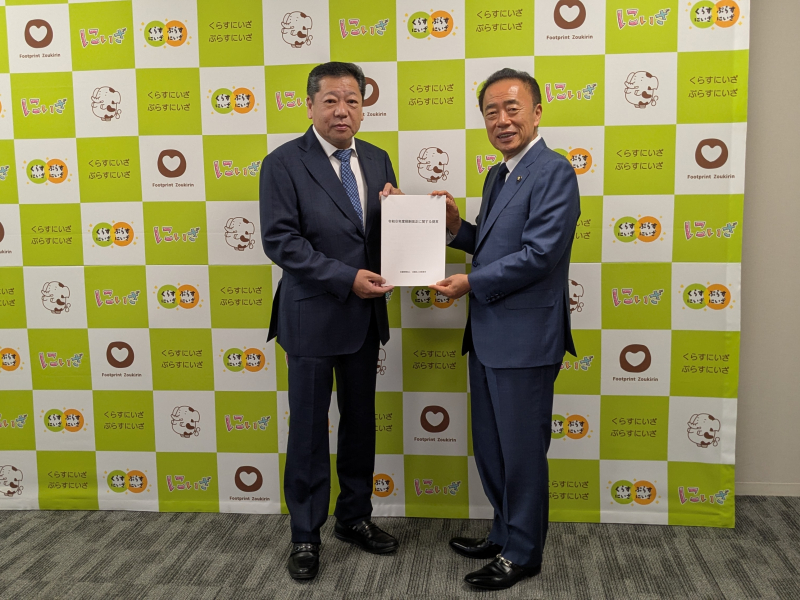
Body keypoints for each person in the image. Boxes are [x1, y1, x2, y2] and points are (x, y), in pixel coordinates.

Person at [430, 68, 580, 591]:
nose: (502, 120)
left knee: (521, 453)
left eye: (512, 108)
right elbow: (493, 244)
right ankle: (502, 532)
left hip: (526, 339)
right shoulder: (499, 174)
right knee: (493, 449)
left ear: (537, 112)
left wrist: (469, 283)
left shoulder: (554, 171)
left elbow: (539, 254)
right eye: (491, 111)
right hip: (489, 336)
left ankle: (523, 552)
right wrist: (455, 227)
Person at [260, 62, 402, 581]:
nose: (343, 110)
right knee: (309, 432)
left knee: (360, 424)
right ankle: (305, 533)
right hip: (312, 318)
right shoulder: (283, 163)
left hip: (364, 318)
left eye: (353, 101)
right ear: (310, 105)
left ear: (363, 107)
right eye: (331, 100)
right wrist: (347, 278)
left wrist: (405, 218)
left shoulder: (378, 158)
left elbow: (383, 235)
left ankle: (354, 517)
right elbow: (281, 241)